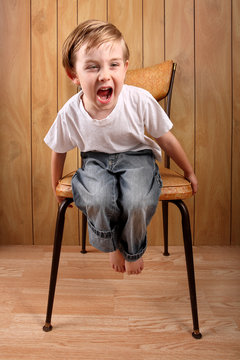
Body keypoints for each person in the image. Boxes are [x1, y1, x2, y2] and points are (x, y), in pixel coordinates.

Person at [44, 20, 197, 276]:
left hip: (138, 158)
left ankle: (133, 248)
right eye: (92, 67)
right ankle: (112, 244)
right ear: (74, 75)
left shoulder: (138, 100)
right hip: (95, 162)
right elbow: (58, 150)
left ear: (125, 68)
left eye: (113, 65)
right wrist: (55, 186)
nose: (105, 75)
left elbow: (166, 139)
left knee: (136, 199)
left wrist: (189, 171)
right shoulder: (70, 112)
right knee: (96, 197)